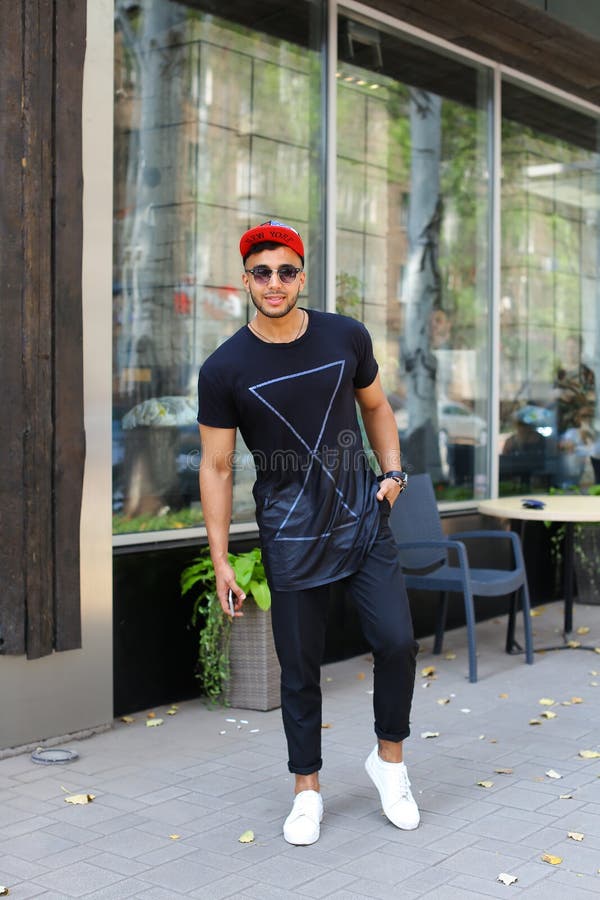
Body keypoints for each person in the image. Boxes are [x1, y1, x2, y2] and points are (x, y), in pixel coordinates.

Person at [197, 220, 419, 845]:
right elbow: (215, 468)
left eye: (286, 270)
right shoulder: (224, 369)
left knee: (397, 641)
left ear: (302, 275)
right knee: (299, 669)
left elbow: (376, 406)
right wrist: (221, 561)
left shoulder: (345, 335)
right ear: (245, 280)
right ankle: (307, 790)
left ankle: (391, 764)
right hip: (291, 534)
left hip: (360, 517)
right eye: (261, 272)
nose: (274, 282)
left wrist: (394, 471)